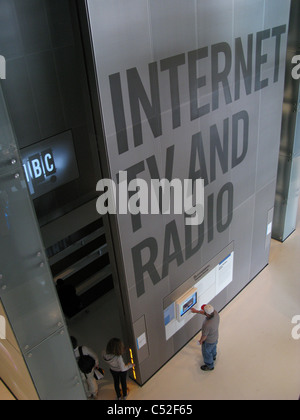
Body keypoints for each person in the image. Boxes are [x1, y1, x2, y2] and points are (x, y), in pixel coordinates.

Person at [191, 304, 220, 371]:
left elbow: (204, 336)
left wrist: (201, 341)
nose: (203, 311)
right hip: (215, 337)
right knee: (213, 348)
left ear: (207, 314)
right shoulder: (215, 313)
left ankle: (209, 365)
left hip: (208, 341)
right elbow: (205, 313)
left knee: (206, 353)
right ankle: (214, 356)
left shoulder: (207, 324)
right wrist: (196, 311)